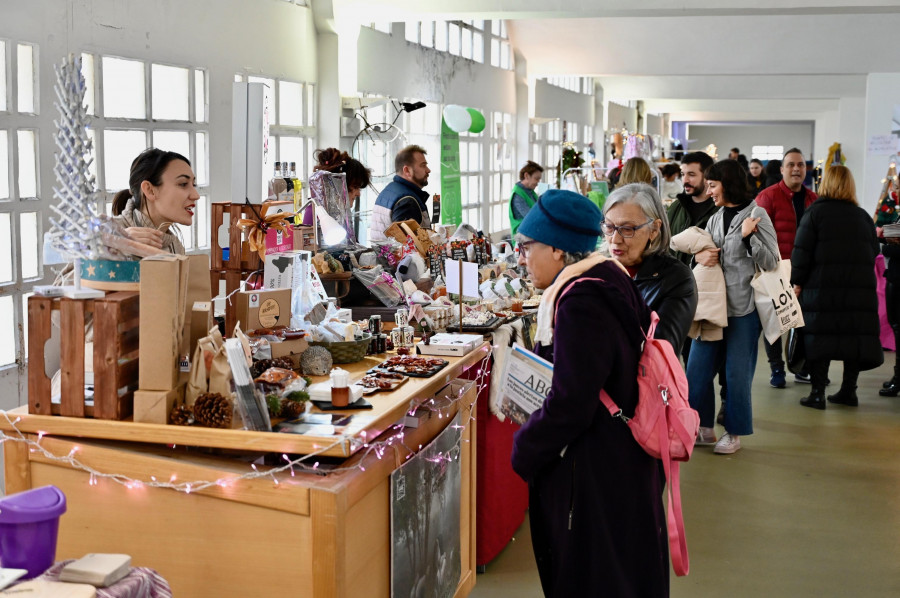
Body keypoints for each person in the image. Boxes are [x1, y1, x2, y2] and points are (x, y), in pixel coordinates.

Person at [510, 189, 668, 596]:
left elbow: (571, 401)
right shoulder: (607, 277)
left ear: (560, 251)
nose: (521, 257)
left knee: (595, 576)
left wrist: (526, 448)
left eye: (527, 246)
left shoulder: (581, 300)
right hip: (618, 457)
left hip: (595, 468)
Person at [688, 159, 779, 454]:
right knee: (696, 371)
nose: (710, 191)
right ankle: (703, 427)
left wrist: (749, 238)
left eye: (713, 185)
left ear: (727, 183)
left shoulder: (757, 214)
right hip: (713, 308)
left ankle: (735, 433)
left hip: (744, 310)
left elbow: (772, 261)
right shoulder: (715, 217)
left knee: (736, 374)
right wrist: (699, 258)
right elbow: (707, 254)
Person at [790, 165, 882, 409]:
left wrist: (796, 282)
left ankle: (817, 393)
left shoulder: (815, 214)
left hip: (821, 290)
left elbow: (801, 253)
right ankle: (848, 391)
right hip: (858, 291)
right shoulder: (862, 216)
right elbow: (874, 251)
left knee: (819, 339)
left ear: (825, 183)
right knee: (854, 340)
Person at [603, 183, 697, 355]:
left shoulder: (675, 279)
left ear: (654, 229)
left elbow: (660, 352)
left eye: (627, 229)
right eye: (609, 227)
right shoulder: (599, 271)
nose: (615, 239)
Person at [755, 148, 818, 387]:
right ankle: (776, 369)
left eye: (800, 165)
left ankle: (801, 367)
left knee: (803, 323)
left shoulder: (813, 199)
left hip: (805, 273)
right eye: (791, 164)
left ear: (805, 169)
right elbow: (758, 237)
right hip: (775, 271)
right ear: (782, 170)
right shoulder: (767, 197)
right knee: (773, 324)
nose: (796, 169)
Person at [110, 148, 199, 255]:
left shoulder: (176, 247)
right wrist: (116, 243)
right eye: (183, 184)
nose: (196, 195)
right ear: (150, 190)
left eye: (193, 185)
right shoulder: (106, 234)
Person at [368, 144, 431, 242]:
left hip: (384, 256)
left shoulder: (389, 191)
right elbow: (407, 248)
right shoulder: (407, 201)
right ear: (407, 170)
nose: (428, 170)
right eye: (423, 165)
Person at [667, 151, 717, 267]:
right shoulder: (676, 207)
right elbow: (666, 246)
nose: (685, 180)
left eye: (691, 174)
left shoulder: (719, 210)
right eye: (683, 174)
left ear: (707, 176)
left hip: (707, 281)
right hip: (676, 280)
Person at [509, 160, 544, 243]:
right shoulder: (517, 195)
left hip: (532, 235)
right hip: (523, 240)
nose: (538, 182)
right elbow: (530, 217)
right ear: (526, 176)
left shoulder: (531, 192)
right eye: (536, 179)